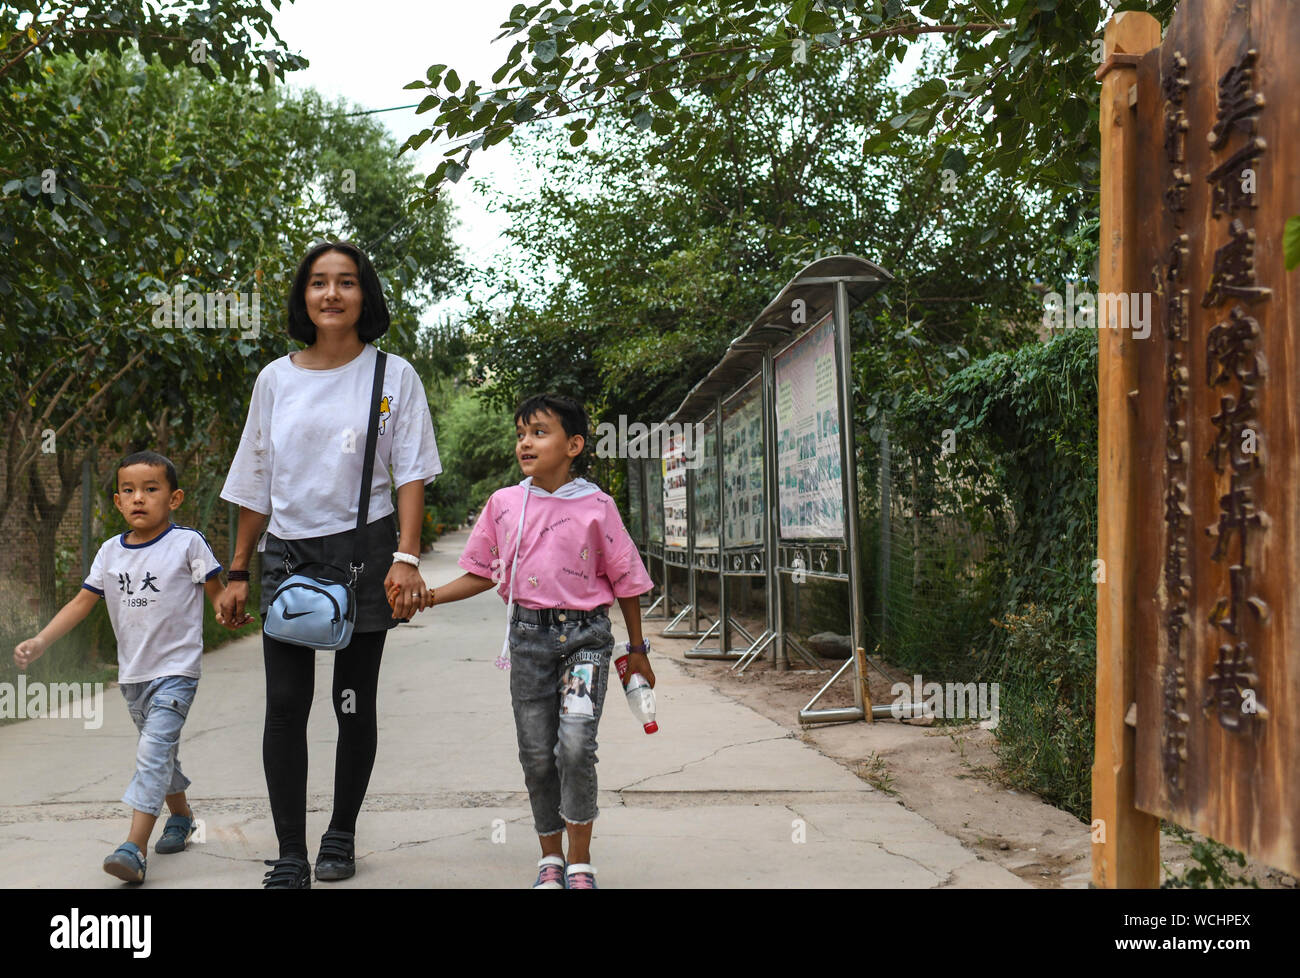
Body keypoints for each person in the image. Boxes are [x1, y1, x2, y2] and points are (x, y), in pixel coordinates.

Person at [216, 240, 442, 888]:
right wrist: (237, 570)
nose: (332, 294)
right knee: (285, 705)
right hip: (287, 554)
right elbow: (255, 482)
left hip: (365, 551)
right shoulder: (275, 380)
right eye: (319, 282)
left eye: (346, 282)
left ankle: (340, 835)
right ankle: (291, 853)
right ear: (304, 297)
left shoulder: (391, 375)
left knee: (352, 702)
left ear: (364, 295)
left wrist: (405, 557)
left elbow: (412, 474)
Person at [402, 393, 654, 889]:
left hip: (586, 639)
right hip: (528, 640)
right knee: (537, 753)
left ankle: (581, 864)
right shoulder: (504, 504)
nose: (525, 442)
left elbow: (626, 580)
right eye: (521, 433)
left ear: (574, 444)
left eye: (539, 432)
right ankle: (550, 860)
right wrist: (428, 598)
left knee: (577, 746)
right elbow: (481, 574)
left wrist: (638, 650)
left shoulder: (597, 506)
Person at [13, 451, 224, 884]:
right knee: (161, 753)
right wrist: (41, 641)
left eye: (151, 489)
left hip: (177, 670)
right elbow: (80, 603)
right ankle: (181, 818)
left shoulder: (188, 544)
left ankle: (134, 848)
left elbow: (217, 594)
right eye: (128, 491)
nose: (139, 498)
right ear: (116, 501)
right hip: (133, 676)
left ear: (175, 497)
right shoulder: (110, 553)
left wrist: (229, 612)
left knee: (151, 753)